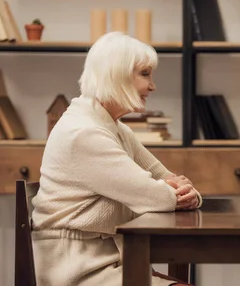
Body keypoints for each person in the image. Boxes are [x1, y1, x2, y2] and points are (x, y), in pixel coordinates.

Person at [30, 32, 200, 286]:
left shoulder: (115, 128)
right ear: (116, 74)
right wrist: (175, 194)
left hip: (112, 260)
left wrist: (190, 194)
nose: (152, 86)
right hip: (75, 269)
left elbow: (165, 180)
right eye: (145, 74)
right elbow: (157, 195)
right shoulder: (83, 133)